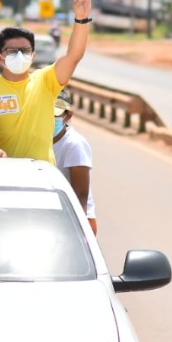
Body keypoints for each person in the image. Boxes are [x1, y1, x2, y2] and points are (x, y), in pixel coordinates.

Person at [0, 0, 95, 163]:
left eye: (25, 50)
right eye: (12, 52)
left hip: (40, 173)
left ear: (33, 55)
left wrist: (81, 19)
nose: (19, 55)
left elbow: (73, 56)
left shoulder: (46, 79)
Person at [52, 91, 97, 235]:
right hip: (54, 215)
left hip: (79, 218)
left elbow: (81, 193)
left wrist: (77, 229)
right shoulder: (39, 140)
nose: (50, 118)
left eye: (56, 114)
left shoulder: (74, 144)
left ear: (68, 116)